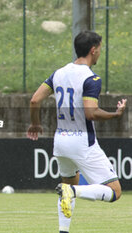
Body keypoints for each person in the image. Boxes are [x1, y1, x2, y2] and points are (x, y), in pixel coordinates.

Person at [27, 31, 127, 233]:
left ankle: (63, 230)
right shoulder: (92, 78)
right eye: (99, 48)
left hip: (61, 141)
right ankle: (72, 191)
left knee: (67, 184)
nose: (100, 52)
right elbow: (91, 113)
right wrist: (115, 114)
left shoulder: (58, 73)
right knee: (114, 191)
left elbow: (35, 100)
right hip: (82, 142)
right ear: (93, 50)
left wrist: (35, 124)